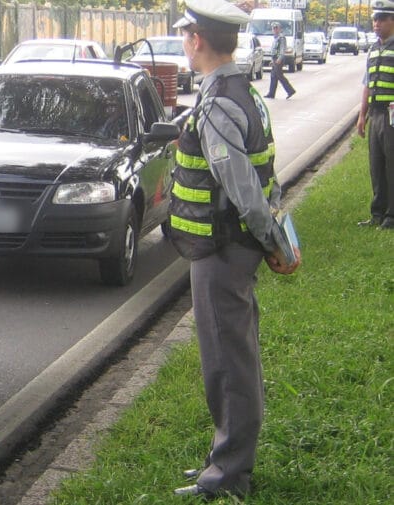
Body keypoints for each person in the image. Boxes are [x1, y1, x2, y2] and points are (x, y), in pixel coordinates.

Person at [167, 0, 301, 499]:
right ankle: (225, 457)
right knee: (233, 355)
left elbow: (242, 185)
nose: (183, 42)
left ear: (197, 40)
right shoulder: (241, 91)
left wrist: (274, 242)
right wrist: (274, 236)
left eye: (185, 35)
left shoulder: (219, 100)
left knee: (228, 362)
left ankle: (227, 477)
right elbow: (266, 173)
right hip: (228, 247)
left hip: (222, 249)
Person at [356, 0, 394, 229]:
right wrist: (362, 115)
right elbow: (367, 85)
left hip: (392, 114)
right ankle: (378, 213)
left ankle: (392, 216)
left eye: (381, 18)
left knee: (392, 164)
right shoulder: (373, 50)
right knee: (376, 164)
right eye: (374, 19)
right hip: (377, 114)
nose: (376, 23)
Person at [264, 22, 296, 99]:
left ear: (279, 29)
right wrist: (273, 60)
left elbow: (282, 49)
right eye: (273, 28)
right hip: (275, 59)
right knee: (273, 76)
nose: (275, 29)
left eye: (276, 28)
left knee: (279, 76)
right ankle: (271, 93)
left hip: (279, 59)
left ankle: (290, 90)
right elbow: (274, 50)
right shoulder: (276, 38)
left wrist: (279, 59)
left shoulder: (281, 38)